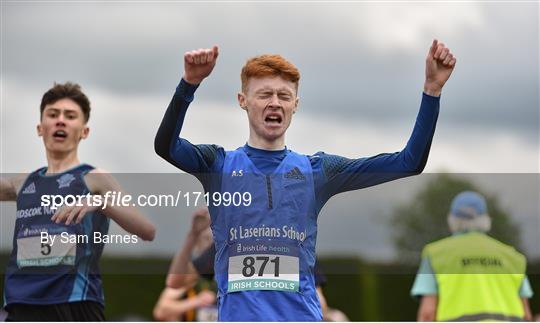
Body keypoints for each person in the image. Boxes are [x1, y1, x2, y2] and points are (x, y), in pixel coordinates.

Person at [155, 40, 456, 321]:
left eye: (283, 96)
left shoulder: (318, 171)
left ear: (295, 105)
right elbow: (165, 146)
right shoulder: (218, 165)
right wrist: (189, 84)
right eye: (264, 94)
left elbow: (409, 162)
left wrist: (432, 91)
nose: (275, 102)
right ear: (243, 100)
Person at [0, 82, 156, 321]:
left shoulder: (94, 178)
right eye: (53, 114)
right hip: (21, 305)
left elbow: (147, 230)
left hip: (74, 305)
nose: (60, 120)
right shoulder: (22, 183)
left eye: (70, 116)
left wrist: (101, 203)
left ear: (84, 131)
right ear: (40, 128)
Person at [411, 191, 534, 321]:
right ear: (485, 219)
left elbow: (428, 313)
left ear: (452, 219)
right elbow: (525, 314)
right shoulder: (513, 257)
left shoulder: (436, 254)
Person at [154, 208, 218, 321]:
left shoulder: (224, 270)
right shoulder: (193, 276)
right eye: (206, 239)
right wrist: (197, 301)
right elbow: (161, 310)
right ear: (197, 243)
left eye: (213, 241)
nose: (209, 245)